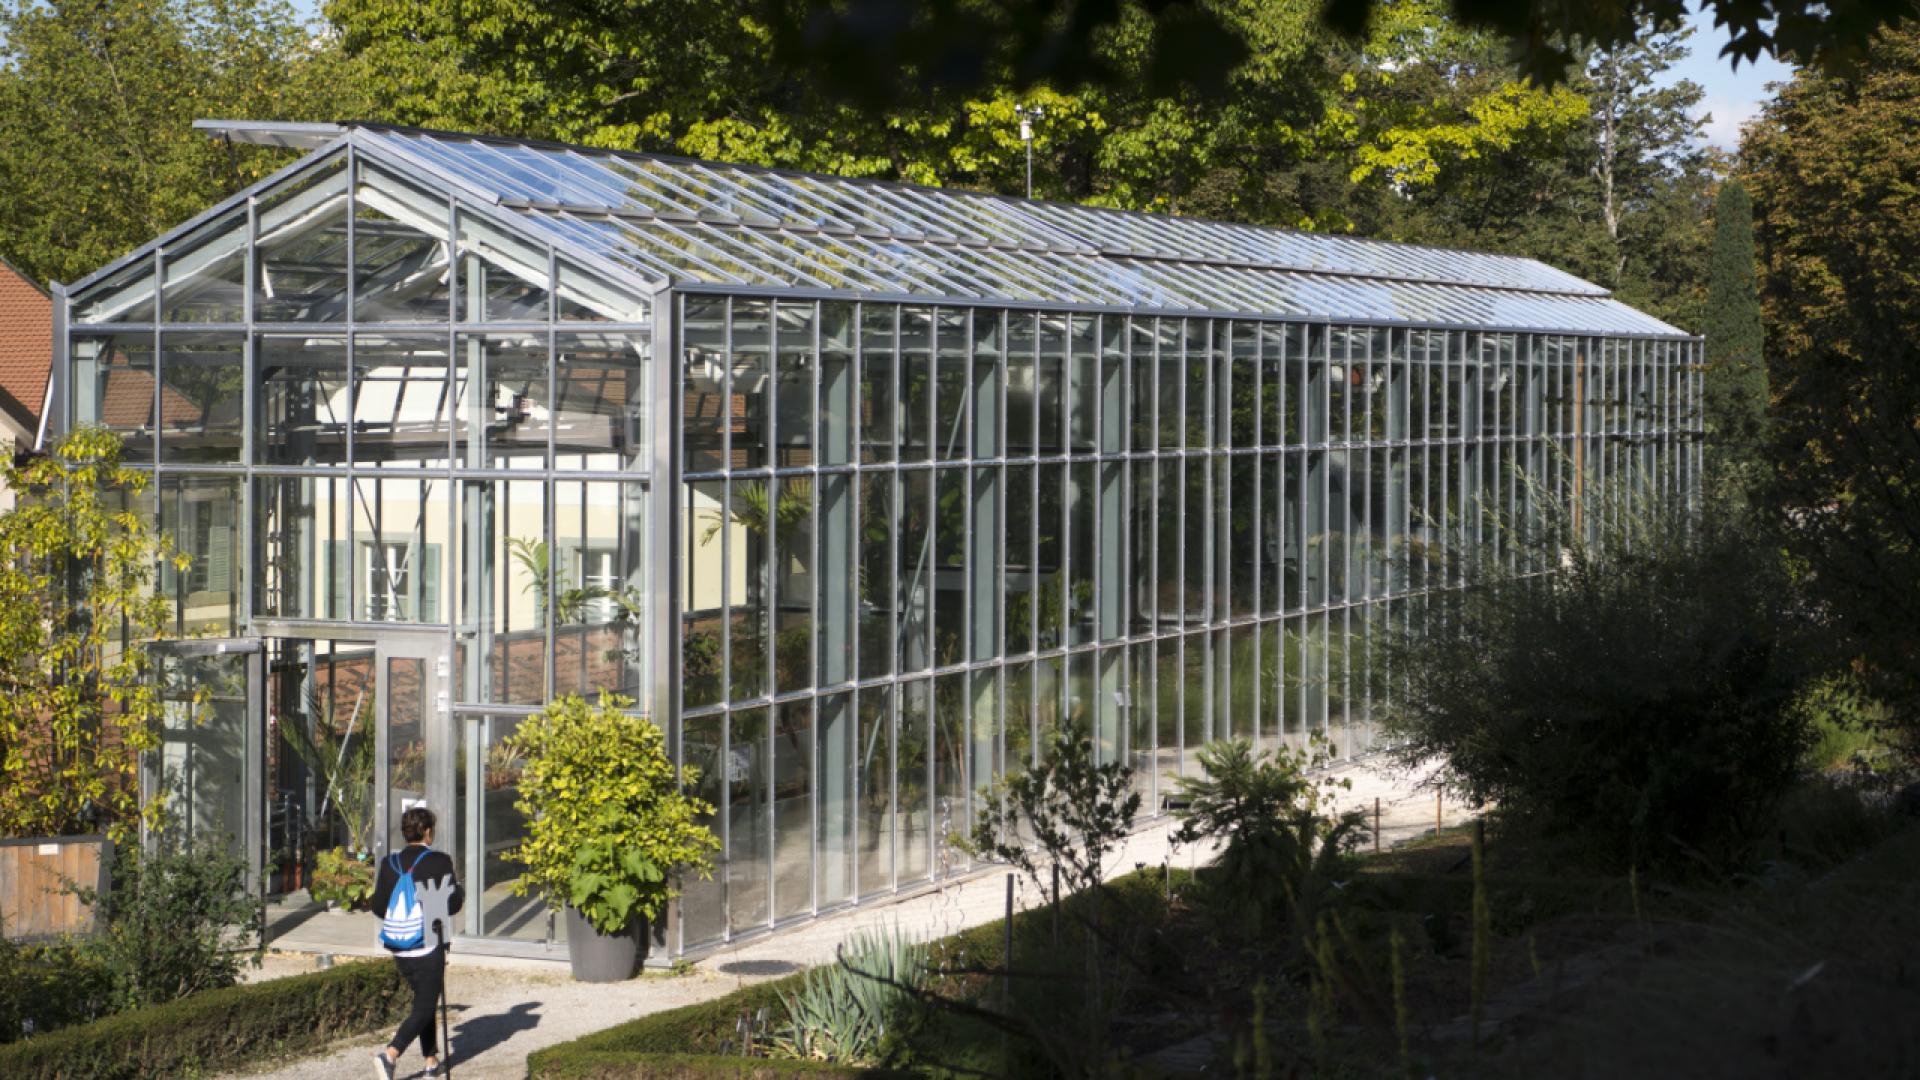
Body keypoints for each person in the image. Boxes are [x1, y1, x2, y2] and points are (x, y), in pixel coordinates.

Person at [371, 806, 463, 1080]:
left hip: (400, 945)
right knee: (425, 1006)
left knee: (424, 1002)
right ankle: (390, 1054)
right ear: (426, 831)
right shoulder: (439, 861)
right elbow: (452, 904)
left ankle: (431, 1062)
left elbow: (378, 907)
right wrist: (458, 891)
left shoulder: (389, 863)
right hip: (429, 942)